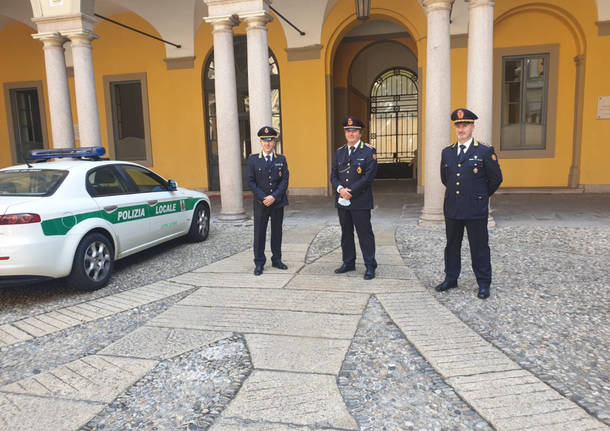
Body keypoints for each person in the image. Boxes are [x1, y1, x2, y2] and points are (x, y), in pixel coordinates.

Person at [436, 108, 503, 299]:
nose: (461, 129)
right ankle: (451, 278)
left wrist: (480, 195)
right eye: (458, 125)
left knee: (479, 246)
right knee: (452, 245)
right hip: (453, 208)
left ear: (472, 127)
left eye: (465, 125)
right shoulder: (447, 152)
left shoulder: (484, 151)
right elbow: (445, 178)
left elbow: (496, 179)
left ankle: (483, 283)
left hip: (475, 208)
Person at [330, 116, 378, 280]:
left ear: (360, 133)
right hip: (343, 199)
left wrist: (351, 191)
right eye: (348, 130)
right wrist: (340, 189)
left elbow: (369, 176)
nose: (351, 133)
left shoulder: (369, 151)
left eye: (354, 131)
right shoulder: (339, 152)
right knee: (346, 233)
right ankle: (348, 262)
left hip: (360, 200)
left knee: (364, 234)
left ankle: (370, 265)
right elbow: (334, 175)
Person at [247, 126, 289, 276]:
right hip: (261, 203)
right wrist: (263, 197)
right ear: (260, 142)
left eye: (270, 140)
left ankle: (277, 260)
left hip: (277, 203)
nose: (268, 144)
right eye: (265, 141)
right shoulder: (253, 160)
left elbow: (285, 180)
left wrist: (274, 197)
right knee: (259, 234)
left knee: (277, 232)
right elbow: (251, 182)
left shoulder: (281, 159)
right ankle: (259, 263)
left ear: (274, 142)